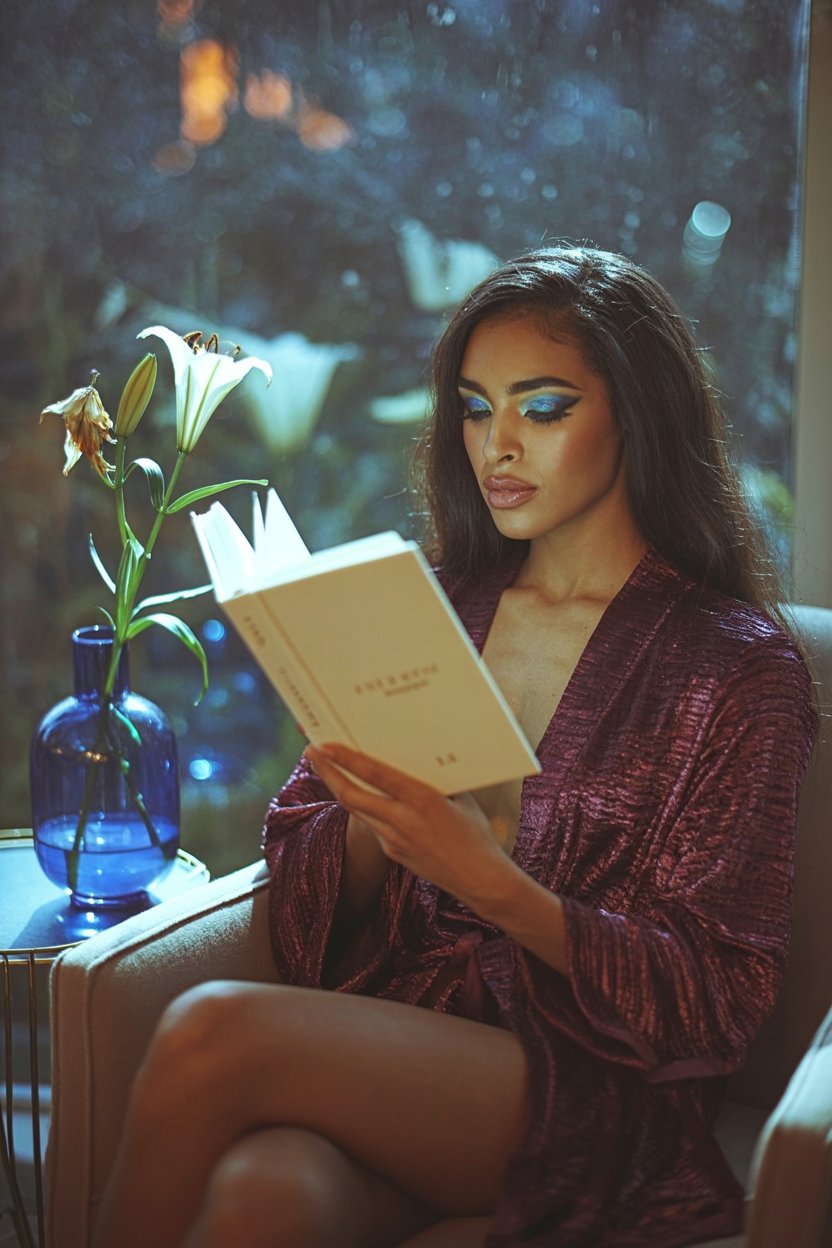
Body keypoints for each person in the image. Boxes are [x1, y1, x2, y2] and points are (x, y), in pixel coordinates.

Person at [92, 247, 816, 1248]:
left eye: (543, 407)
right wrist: (374, 824)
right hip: (406, 1045)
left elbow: (717, 998)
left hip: (592, 1091)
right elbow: (303, 868)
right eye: (476, 408)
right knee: (270, 1189)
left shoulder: (737, 668)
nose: (498, 446)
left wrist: (494, 883)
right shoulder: (434, 601)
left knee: (213, 1027)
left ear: (637, 412)